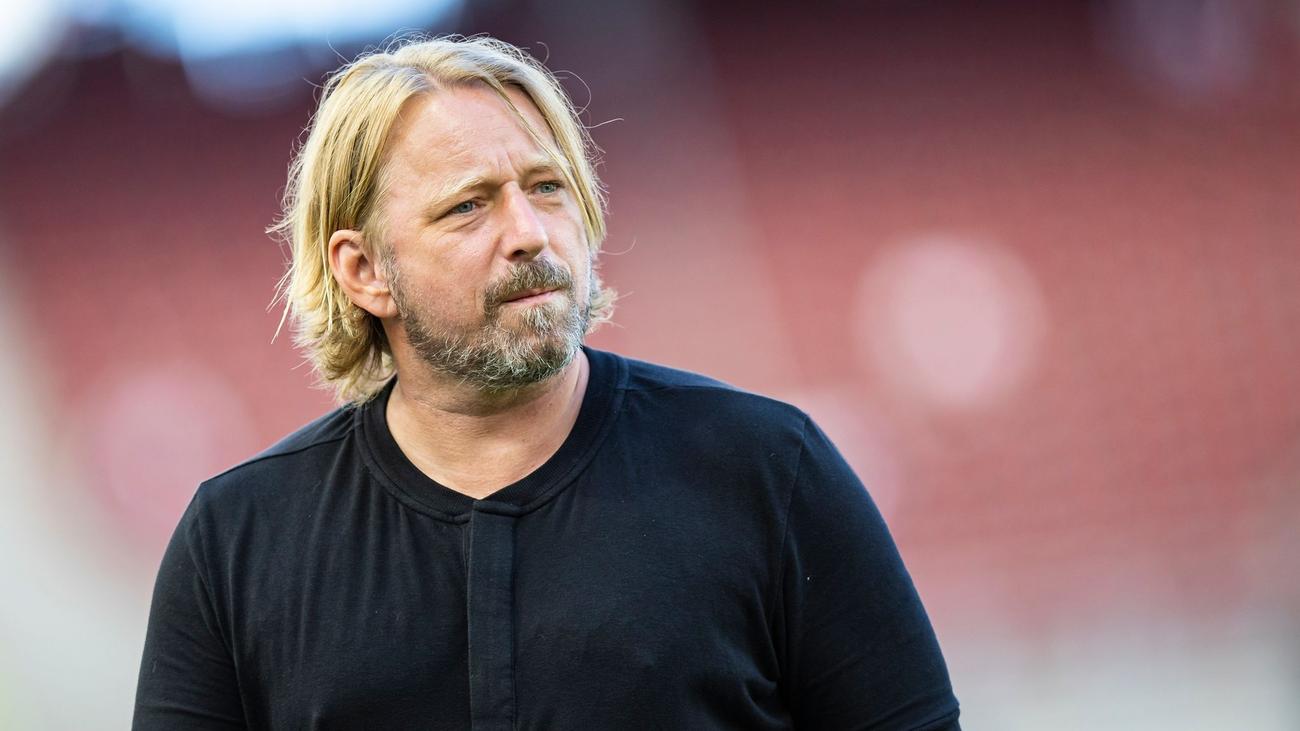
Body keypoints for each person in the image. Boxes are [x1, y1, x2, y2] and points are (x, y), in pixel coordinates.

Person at [133, 35, 961, 730]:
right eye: (468, 206)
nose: (529, 233)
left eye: (546, 187)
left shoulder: (770, 470)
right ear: (363, 271)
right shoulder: (236, 542)